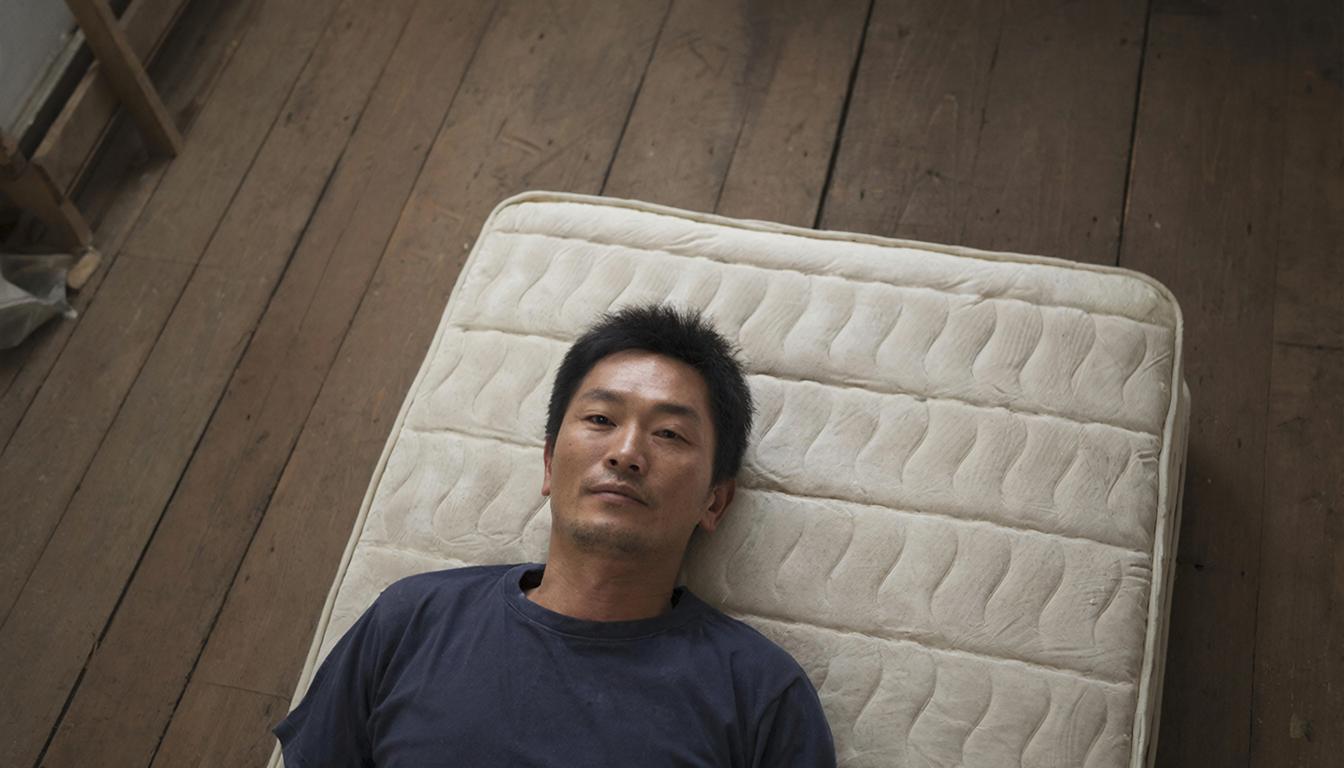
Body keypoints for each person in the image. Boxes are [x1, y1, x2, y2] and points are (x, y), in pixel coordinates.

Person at [274, 304, 836, 766]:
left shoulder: (762, 695)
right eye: (600, 420)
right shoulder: (413, 620)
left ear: (714, 501)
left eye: (669, 433)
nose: (626, 453)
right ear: (548, 464)